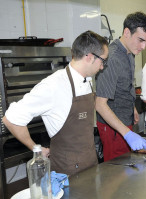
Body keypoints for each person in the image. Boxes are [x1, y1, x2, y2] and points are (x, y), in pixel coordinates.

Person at [2, 31, 109, 176]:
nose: (102, 66)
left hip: (90, 163)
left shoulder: (87, 81)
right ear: (89, 57)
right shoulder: (54, 85)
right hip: (67, 172)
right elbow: (11, 118)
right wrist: (36, 149)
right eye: (102, 60)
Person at [95, 12, 146, 161]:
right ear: (127, 32)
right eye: (141, 40)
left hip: (124, 120)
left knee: (126, 166)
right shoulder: (112, 57)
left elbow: (125, 84)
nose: (143, 47)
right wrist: (126, 133)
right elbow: (100, 104)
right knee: (116, 171)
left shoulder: (130, 52)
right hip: (113, 127)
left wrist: (132, 107)